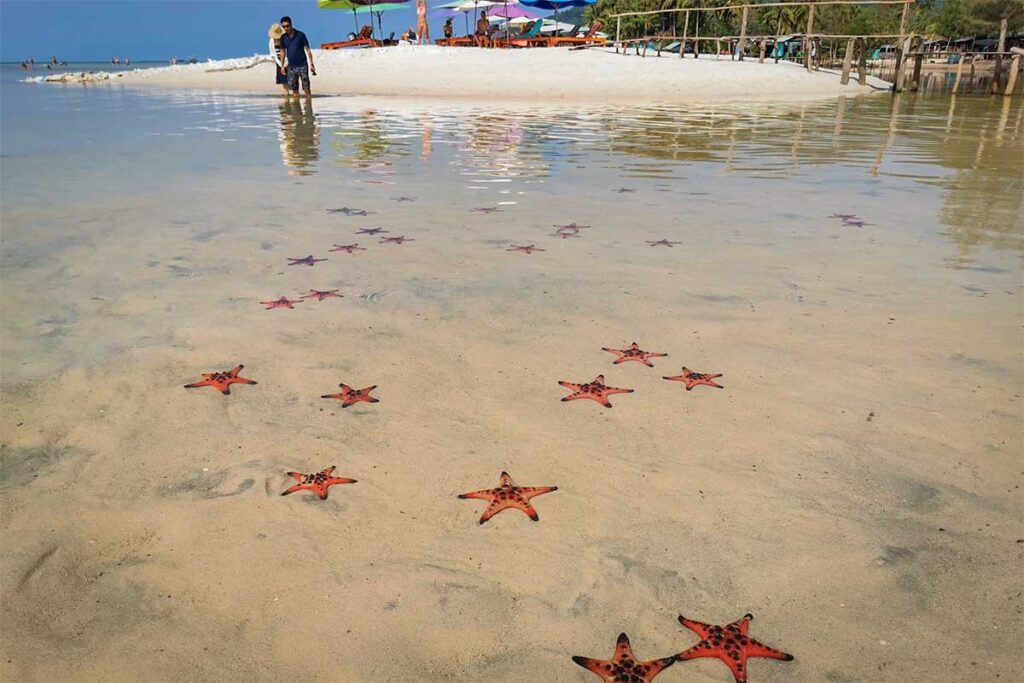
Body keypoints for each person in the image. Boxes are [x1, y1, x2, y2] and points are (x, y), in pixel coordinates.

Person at [279, 15, 316, 98]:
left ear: (291, 24)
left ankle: (308, 104)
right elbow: (282, 52)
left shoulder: (301, 35)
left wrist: (312, 64)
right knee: (294, 89)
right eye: (283, 27)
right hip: (291, 66)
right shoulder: (283, 37)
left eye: (287, 26)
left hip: (302, 64)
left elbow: (308, 49)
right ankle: (296, 109)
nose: (286, 28)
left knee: (306, 86)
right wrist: (281, 66)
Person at [268, 23, 289, 94]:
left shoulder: (285, 39)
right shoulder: (271, 41)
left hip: (288, 62)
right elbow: (273, 55)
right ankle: (286, 96)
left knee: (291, 80)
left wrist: (286, 63)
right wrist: (281, 65)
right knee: (284, 82)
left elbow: (288, 52)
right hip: (279, 63)